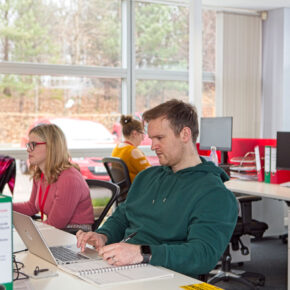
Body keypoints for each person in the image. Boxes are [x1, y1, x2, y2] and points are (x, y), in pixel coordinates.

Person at [76, 99, 238, 277]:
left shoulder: (214, 194)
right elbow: (122, 216)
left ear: (185, 134)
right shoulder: (146, 177)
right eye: (151, 139)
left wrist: (142, 253)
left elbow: (202, 255)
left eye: (160, 138)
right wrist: (103, 236)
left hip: (167, 276)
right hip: (128, 269)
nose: (153, 146)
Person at [13, 123, 94, 231]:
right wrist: (5, 207)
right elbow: (31, 206)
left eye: (33, 144)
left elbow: (55, 224)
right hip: (56, 232)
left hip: (75, 236)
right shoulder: (40, 174)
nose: (28, 149)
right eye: (28, 145)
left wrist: (27, 231)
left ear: (51, 146)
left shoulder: (69, 178)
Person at [112, 115, 151, 182]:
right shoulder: (133, 151)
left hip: (124, 190)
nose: (143, 138)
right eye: (142, 133)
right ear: (135, 133)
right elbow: (150, 174)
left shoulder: (117, 149)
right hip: (137, 188)